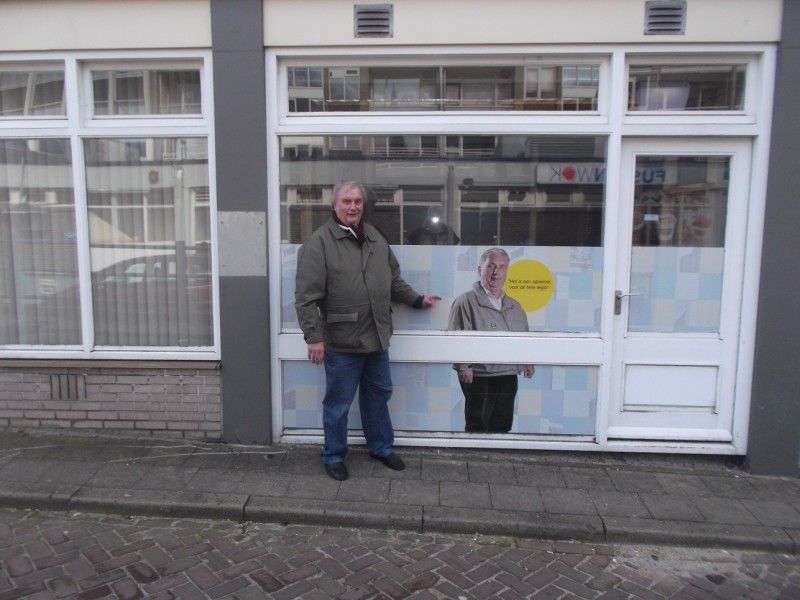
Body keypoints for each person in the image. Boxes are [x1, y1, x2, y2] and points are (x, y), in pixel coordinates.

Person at [295, 181, 441, 481]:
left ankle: (380, 447)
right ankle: (334, 455)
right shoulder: (319, 243)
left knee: (378, 396)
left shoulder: (374, 236)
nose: (353, 207)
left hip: (376, 338)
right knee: (338, 405)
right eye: (347, 201)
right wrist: (314, 337)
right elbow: (307, 298)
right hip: (341, 342)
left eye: (358, 202)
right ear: (334, 205)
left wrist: (415, 299)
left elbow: (392, 280)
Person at [447, 248, 535, 433]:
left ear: (506, 272)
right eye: (491, 266)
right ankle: (475, 461)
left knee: (503, 425)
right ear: (480, 268)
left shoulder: (514, 305)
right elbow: (456, 337)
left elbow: (524, 337)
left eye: (502, 267)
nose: (496, 272)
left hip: (508, 374)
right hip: (480, 375)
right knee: (477, 424)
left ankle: (498, 460)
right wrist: (464, 366)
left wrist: (528, 361)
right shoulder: (466, 301)